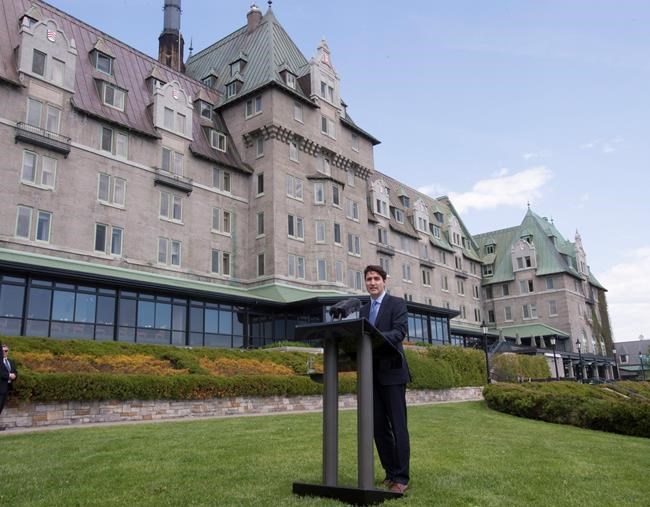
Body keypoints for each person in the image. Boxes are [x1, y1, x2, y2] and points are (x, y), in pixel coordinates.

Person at [359, 265, 410, 494]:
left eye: (376, 279)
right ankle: (390, 473)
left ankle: (402, 478)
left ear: (384, 281)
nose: (372, 283)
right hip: (370, 375)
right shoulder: (363, 310)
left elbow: (399, 333)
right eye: (368, 279)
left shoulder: (396, 304)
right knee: (378, 428)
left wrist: (372, 336)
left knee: (398, 427)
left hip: (393, 374)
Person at [1, 343, 18, 430]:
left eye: (6, 351)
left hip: (7, 387)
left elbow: (15, 372)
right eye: (2, 351)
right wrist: (9, 375)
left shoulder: (11, 361)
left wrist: (14, 376)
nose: (4, 352)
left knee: (1, 406)